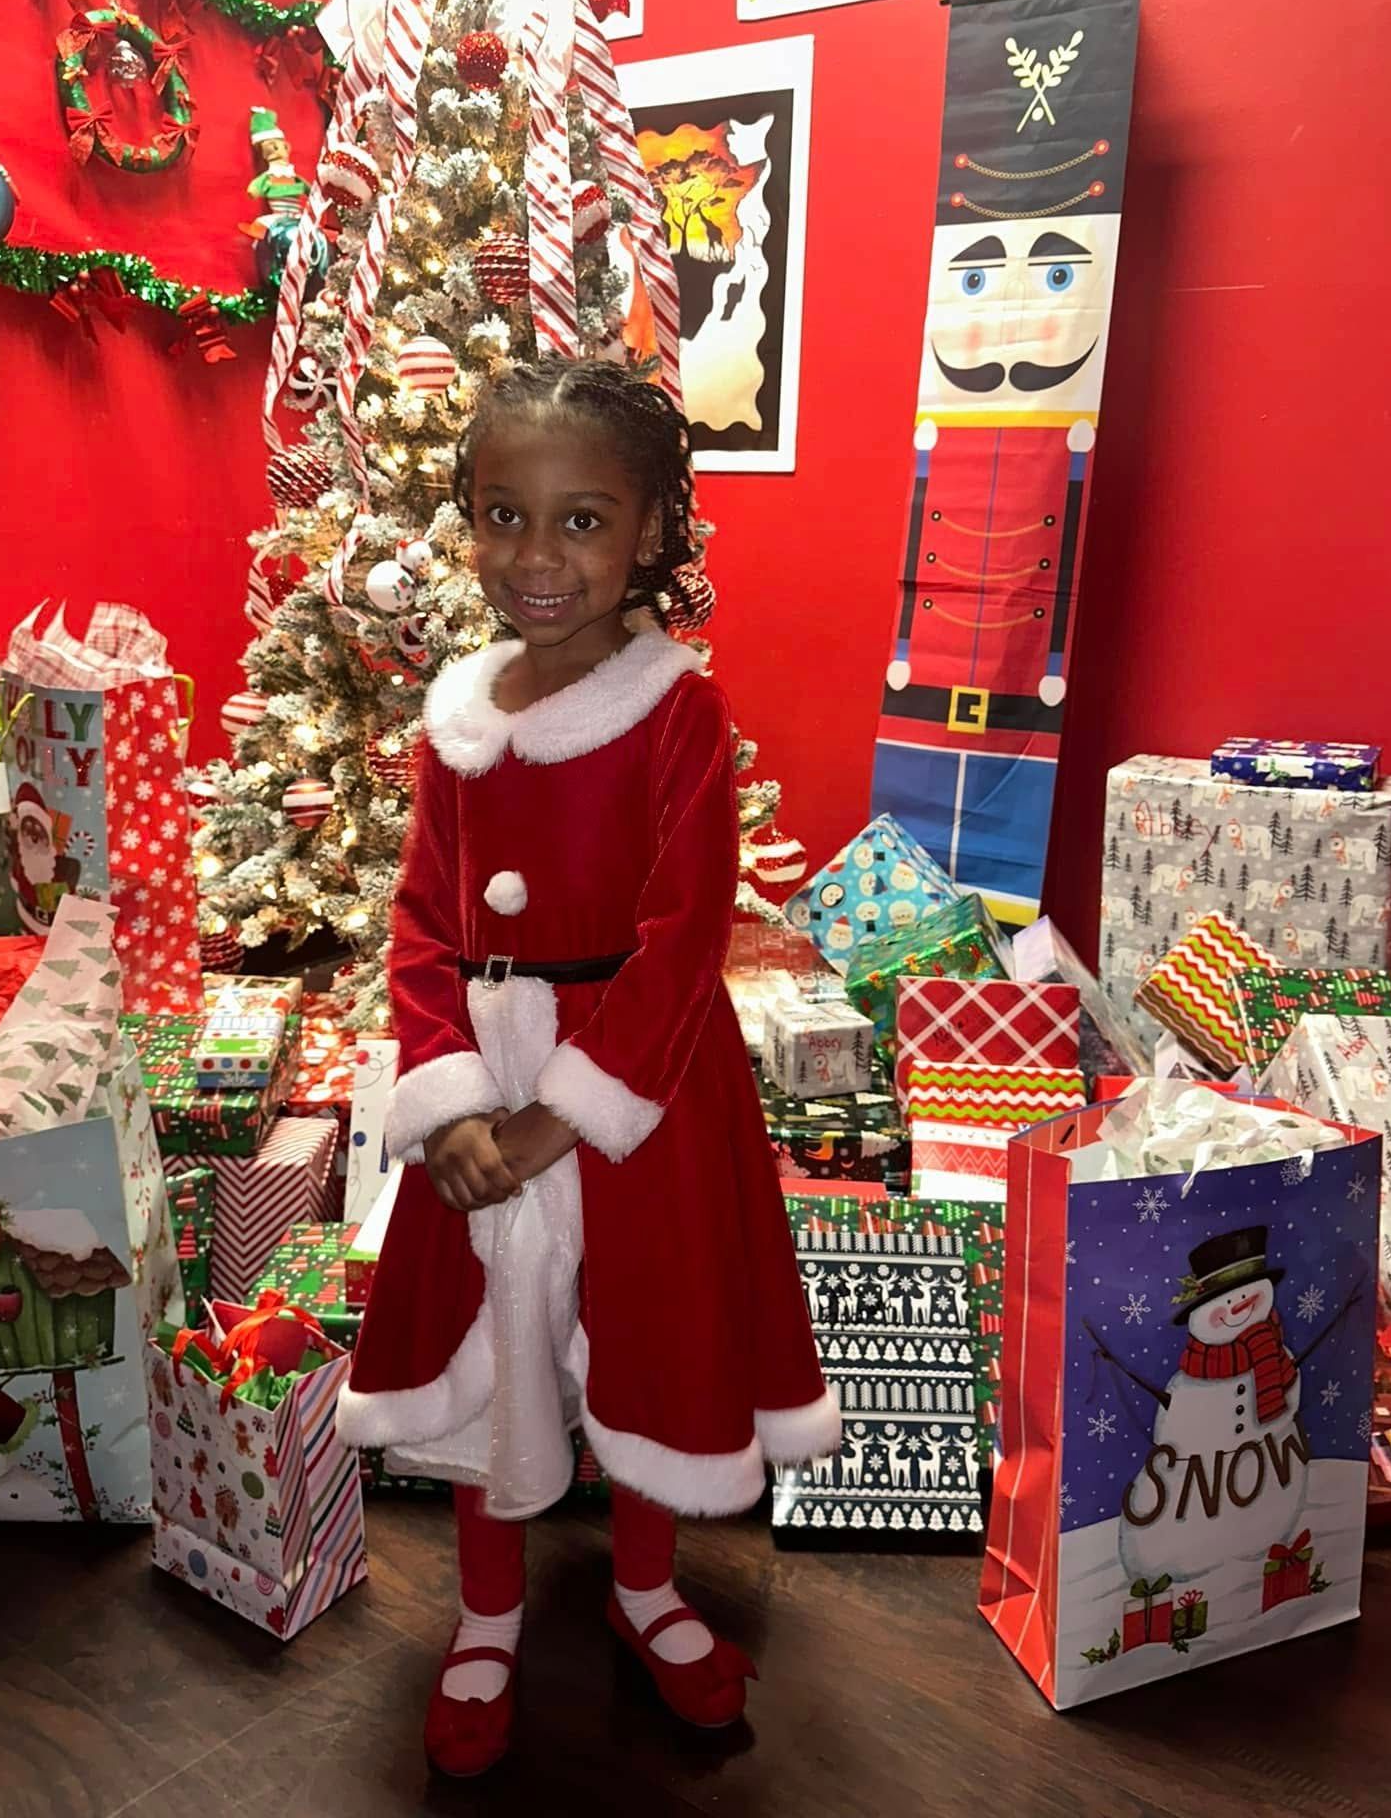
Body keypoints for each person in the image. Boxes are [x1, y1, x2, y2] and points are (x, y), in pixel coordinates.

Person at [338, 358, 837, 1776]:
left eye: (579, 521)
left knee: (647, 1335)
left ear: (650, 535)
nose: (534, 556)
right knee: (496, 1338)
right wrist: (443, 1097)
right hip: (475, 1094)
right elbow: (422, 919)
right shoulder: (455, 722)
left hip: (640, 1102)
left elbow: (686, 939)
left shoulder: (676, 711)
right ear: (467, 519)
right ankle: (484, 1615)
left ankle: (644, 1587)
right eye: (503, 513)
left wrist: (559, 1122)